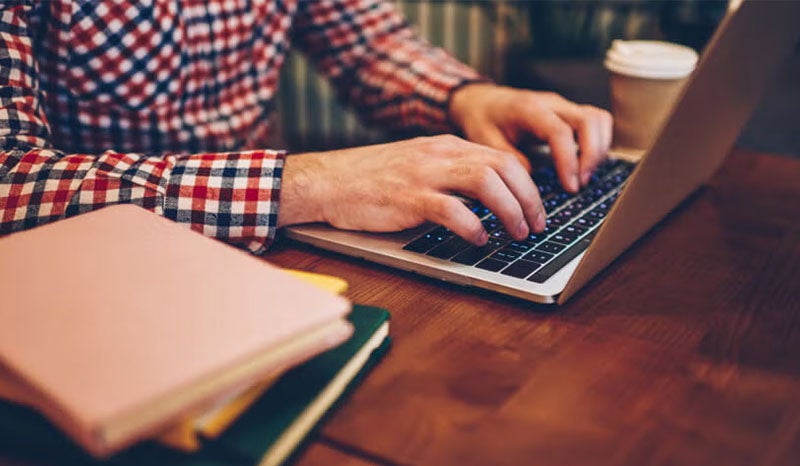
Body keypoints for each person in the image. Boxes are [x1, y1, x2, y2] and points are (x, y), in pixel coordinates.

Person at [0, 1, 611, 254]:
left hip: (268, 251)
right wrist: (309, 182)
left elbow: (364, 42)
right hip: (88, 277)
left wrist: (469, 97)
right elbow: (8, 177)